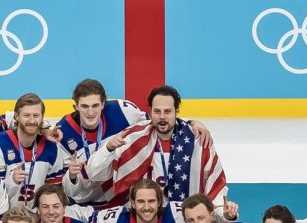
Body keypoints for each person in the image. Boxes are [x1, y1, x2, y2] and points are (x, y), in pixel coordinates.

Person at [59, 79, 209, 208]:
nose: (90, 112)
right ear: (76, 107)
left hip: (118, 200)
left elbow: (157, 121)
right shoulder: (62, 133)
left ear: (103, 104)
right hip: (83, 203)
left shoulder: (122, 111)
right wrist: (72, 177)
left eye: (95, 106)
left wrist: (191, 123)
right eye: (85, 106)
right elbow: (67, 188)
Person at [0, 93, 61, 208]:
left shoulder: (51, 147)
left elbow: (54, 193)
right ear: (16, 116)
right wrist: (12, 181)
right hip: (4, 218)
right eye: (26, 115)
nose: (32, 121)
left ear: (42, 118)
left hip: (35, 218)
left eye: (36, 115)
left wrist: (37, 216)